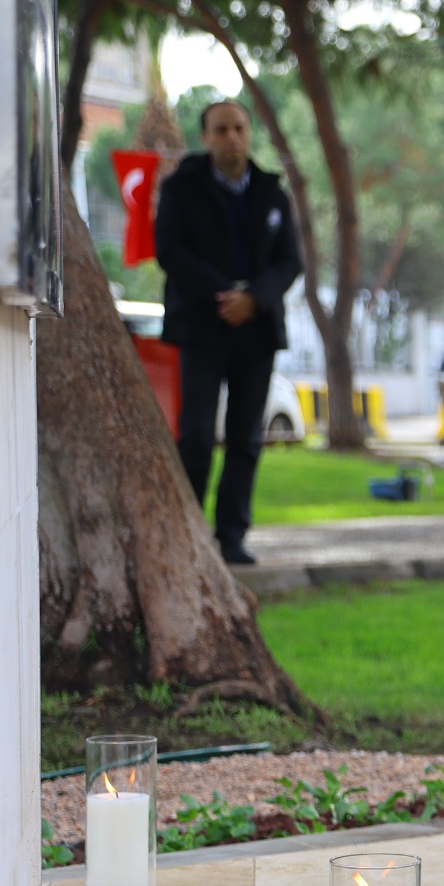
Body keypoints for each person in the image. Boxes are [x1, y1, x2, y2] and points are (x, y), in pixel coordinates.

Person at [152, 99, 303, 567]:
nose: (231, 137)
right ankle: (191, 533)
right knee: (196, 435)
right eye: (221, 130)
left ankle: (232, 535)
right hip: (201, 327)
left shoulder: (272, 192)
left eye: (239, 128)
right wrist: (225, 295)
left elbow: (290, 262)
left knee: (245, 438)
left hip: (256, 331)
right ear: (206, 137)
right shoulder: (182, 188)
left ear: (249, 133)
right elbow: (169, 251)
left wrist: (253, 298)